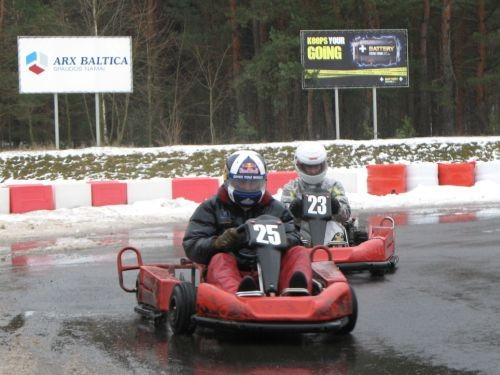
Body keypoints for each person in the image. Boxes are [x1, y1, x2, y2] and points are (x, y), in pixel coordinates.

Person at [183, 150, 312, 295]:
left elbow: (295, 237)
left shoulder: (276, 208)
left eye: (253, 183)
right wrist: (217, 243)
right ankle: (239, 295)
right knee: (220, 259)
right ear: (228, 180)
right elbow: (191, 245)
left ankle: (296, 292)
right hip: (232, 270)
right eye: (242, 182)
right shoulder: (211, 208)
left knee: (299, 252)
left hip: (272, 269)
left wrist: (279, 240)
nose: (248, 188)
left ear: (263, 181)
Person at [281, 142, 352, 246]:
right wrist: (293, 210)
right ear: (300, 166)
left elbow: (346, 215)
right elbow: (283, 218)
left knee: (333, 227)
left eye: (316, 166)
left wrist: (336, 207)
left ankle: (333, 252)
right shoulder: (291, 188)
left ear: (322, 165)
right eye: (309, 167)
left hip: (330, 233)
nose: (313, 171)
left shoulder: (334, 186)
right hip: (301, 234)